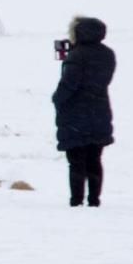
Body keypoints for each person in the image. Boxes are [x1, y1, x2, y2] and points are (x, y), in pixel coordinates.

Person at [52, 17, 116, 207]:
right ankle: (94, 200)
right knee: (95, 159)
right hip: (100, 111)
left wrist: (57, 99)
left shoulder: (77, 56)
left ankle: (76, 200)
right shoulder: (107, 54)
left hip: (76, 114)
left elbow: (69, 85)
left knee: (76, 161)